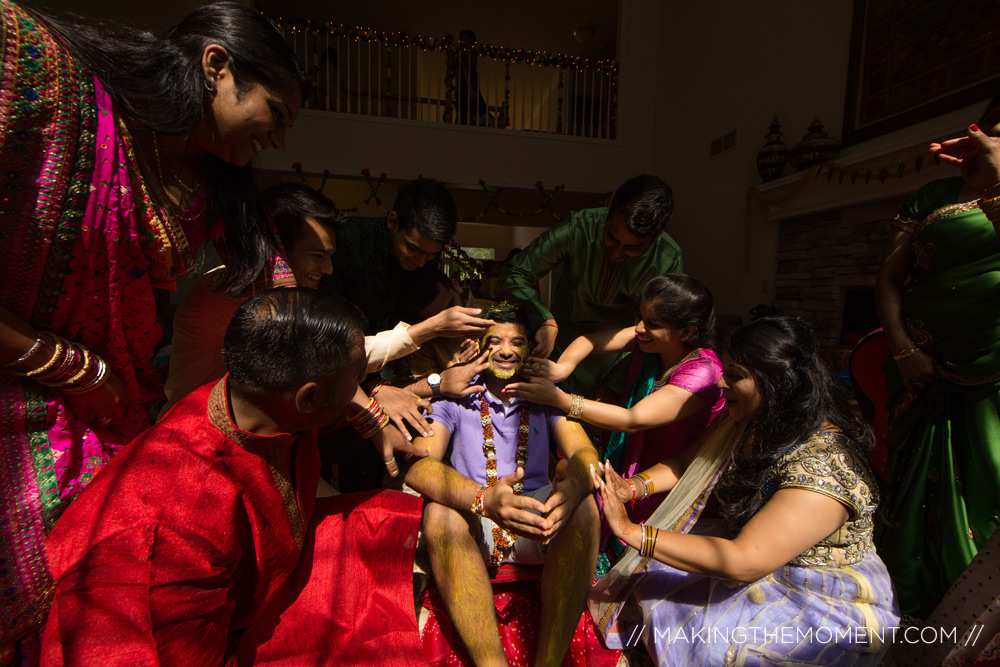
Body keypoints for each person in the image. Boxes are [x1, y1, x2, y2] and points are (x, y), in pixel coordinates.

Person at [0, 0, 306, 651]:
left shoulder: (213, 187)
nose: (277, 141)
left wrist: (359, 395)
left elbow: (287, 309)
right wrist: (67, 365)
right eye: (275, 114)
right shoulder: (38, 75)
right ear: (217, 67)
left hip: (110, 430)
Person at [40, 288, 426, 666]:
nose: (368, 392)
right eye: (359, 378)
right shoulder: (172, 528)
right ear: (307, 400)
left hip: (264, 588)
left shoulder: (257, 400)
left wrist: (370, 416)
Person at [589, 316, 898, 666]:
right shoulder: (752, 420)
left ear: (777, 384)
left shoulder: (826, 465)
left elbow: (742, 561)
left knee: (716, 651)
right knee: (647, 584)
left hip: (813, 594)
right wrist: (630, 487)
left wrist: (630, 531)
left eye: (735, 375)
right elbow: (686, 463)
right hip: (749, 554)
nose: (720, 382)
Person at [404, 302, 601, 666]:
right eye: (494, 341)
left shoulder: (545, 395)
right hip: (476, 521)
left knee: (586, 507)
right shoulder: (456, 396)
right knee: (439, 515)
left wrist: (574, 486)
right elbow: (418, 467)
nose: (506, 350)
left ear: (531, 350)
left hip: (539, 522)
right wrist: (482, 499)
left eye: (517, 342)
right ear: (478, 347)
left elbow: (585, 455)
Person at [873, 97, 1000, 619]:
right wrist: (902, 349)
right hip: (920, 375)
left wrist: (995, 186)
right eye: (992, 131)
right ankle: (905, 614)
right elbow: (887, 279)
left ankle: (971, 626)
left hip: (991, 379)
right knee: (910, 495)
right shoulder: (932, 196)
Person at [505, 273, 725, 573]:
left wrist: (561, 399)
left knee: (640, 562)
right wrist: (561, 367)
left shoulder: (703, 373)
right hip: (633, 461)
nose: (639, 328)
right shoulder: (650, 342)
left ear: (687, 332)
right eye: (640, 317)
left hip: (671, 476)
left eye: (652, 324)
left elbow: (632, 420)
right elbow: (588, 341)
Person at [499, 174, 682, 394]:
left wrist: (612, 385)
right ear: (608, 210)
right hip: (560, 345)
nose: (616, 252)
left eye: (633, 248)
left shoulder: (668, 257)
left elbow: (661, 331)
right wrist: (543, 319)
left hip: (619, 357)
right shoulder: (580, 228)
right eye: (611, 237)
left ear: (657, 236)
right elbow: (515, 271)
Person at [320, 178, 461, 333]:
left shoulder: (427, 260)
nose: (421, 262)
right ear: (393, 221)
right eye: (413, 248)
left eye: (431, 254)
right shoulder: (348, 240)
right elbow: (327, 317)